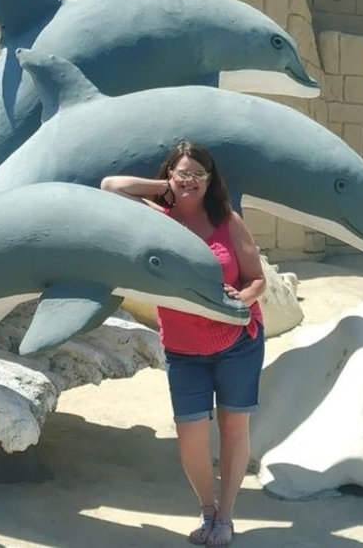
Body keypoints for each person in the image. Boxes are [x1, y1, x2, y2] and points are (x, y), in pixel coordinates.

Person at [101, 141, 266, 547]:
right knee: (190, 434)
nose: (190, 180)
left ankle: (225, 517)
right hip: (183, 348)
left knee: (233, 427)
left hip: (236, 341)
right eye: (182, 173)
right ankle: (207, 509)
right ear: (169, 175)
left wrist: (239, 301)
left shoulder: (228, 221)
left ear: (211, 181)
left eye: (198, 175)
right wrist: (166, 188)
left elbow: (257, 279)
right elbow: (110, 187)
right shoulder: (159, 219)